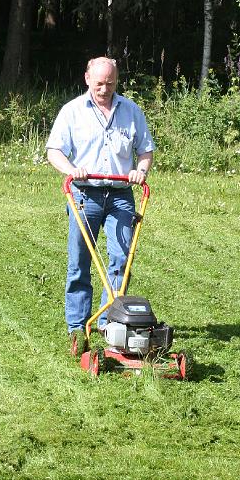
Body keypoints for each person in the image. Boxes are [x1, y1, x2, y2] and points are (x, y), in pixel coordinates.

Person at [46, 57, 155, 342]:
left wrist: (140, 171)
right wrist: (72, 169)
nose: (104, 89)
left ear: (116, 82)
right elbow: (54, 150)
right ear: (87, 79)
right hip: (84, 194)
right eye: (99, 83)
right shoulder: (72, 112)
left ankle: (110, 320)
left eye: (110, 83)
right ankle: (77, 326)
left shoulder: (131, 111)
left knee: (121, 259)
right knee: (80, 261)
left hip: (121, 196)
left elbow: (145, 150)